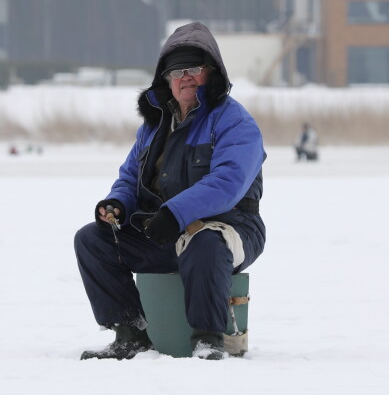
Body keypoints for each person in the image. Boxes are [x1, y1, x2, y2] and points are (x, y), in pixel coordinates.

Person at [74, 22, 266, 361]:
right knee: (93, 239)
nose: (185, 77)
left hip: (230, 228)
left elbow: (227, 184)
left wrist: (175, 213)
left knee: (205, 243)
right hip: (163, 230)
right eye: (176, 71)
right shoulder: (153, 126)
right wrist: (116, 205)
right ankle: (130, 334)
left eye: (194, 68)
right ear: (166, 80)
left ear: (213, 73)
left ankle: (207, 341)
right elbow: (130, 177)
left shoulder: (236, 123)